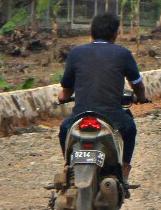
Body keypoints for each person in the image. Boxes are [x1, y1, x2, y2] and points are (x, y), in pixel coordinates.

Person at [58, 12, 149, 183]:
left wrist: (62, 98)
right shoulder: (123, 54)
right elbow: (138, 85)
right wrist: (142, 98)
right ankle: (124, 171)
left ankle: (68, 168)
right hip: (112, 118)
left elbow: (66, 90)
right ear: (115, 34)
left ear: (91, 33)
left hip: (81, 117)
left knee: (64, 129)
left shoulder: (76, 53)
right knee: (130, 129)